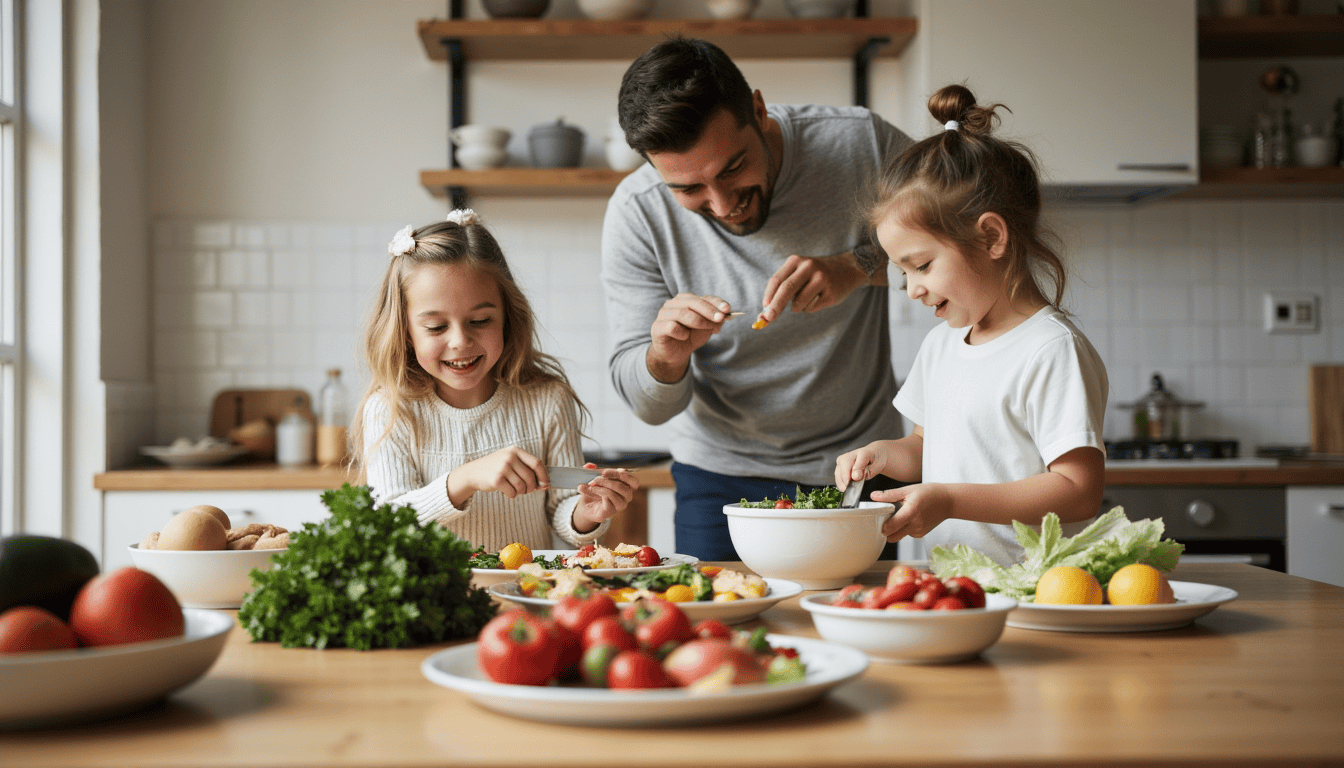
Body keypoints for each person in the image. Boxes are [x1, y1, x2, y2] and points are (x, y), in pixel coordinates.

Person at [601, 37, 914, 560]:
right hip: (717, 478)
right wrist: (667, 355)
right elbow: (645, 404)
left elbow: (964, 240)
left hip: (861, 467)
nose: (722, 205)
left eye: (732, 168)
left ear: (760, 111)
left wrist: (857, 265)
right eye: (688, 189)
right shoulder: (636, 213)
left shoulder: (864, 146)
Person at [835, 84, 1109, 567]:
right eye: (901, 272)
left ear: (990, 237)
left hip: (1035, 591)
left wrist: (951, 501)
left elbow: (1078, 491)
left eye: (920, 265)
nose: (910, 288)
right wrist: (882, 454)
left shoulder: (1051, 349)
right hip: (950, 585)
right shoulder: (941, 346)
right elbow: (924, 446)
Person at [352, 209, 639, 552]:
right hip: (434, 600)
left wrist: (587, 514)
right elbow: (388, 526)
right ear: (405, 331)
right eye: (436, 327)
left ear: (507, 317)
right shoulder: (390, 409)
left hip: (524, 593)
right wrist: (464, 479)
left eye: (481, 320)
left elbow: (562, 511)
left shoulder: (547, 400)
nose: (460, 341)